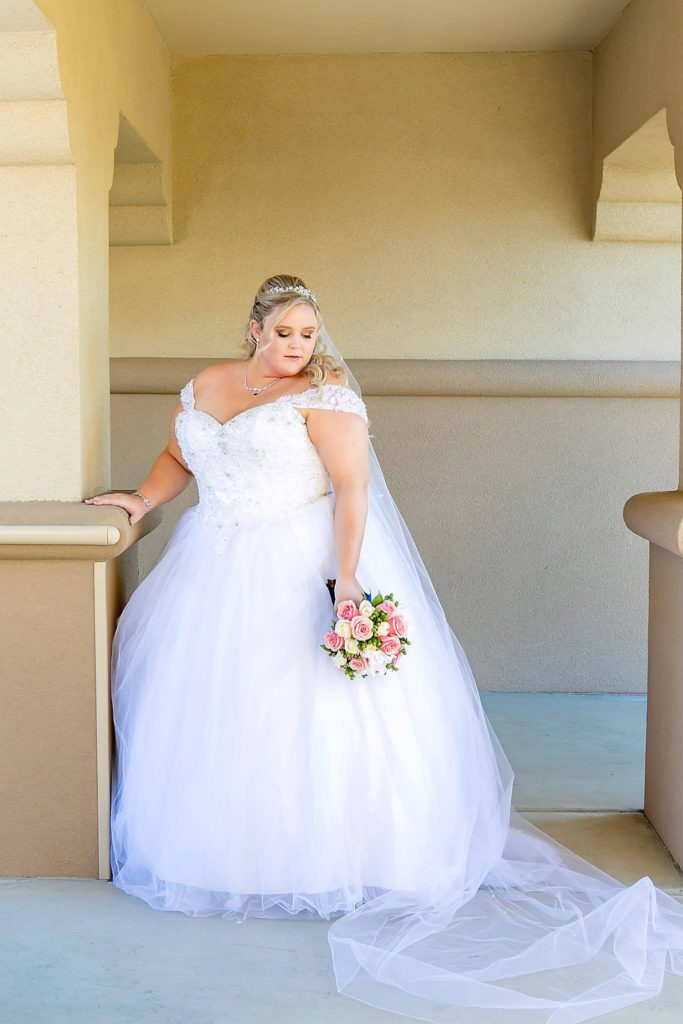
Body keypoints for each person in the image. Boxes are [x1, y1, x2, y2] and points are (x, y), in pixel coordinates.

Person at [84, 274, 683, 1023]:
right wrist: (141, 498)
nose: (298, 347)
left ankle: (336, 859)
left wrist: (343, 583)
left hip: (296, 560)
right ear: (253, 329)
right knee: (219, 709)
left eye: (308, 333)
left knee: (306, 709)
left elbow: (351, 491)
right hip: (210, 561)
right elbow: (181, 457)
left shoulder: (329, 401)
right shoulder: (206, 384)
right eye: (284, 333)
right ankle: (229, 856)